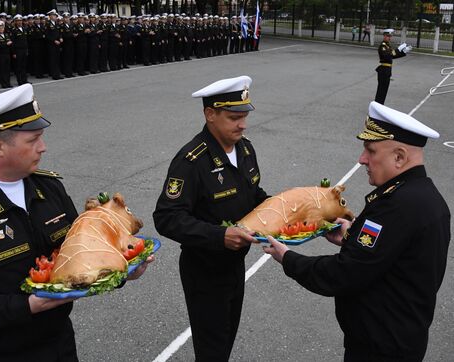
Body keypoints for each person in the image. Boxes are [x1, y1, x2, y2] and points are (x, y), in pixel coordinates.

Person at [0, 84, 154, 361]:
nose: (43, 147)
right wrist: (27, 305)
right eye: (33, 140)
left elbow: (80, 252)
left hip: (58, 342)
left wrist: (123, 269)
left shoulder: (48, 189)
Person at [263, 101, 450, 362]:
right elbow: (390, 255)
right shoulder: (423, 196)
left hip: (380, 348)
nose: (362, 159)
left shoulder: (397, 206)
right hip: (399, 338)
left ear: (399, 157)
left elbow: (345, 273)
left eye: (370, 150)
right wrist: (351, 236)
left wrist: (289, 258)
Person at [153, 75, 268, 361]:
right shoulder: (191, 160)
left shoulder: (244, 148)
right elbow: (167, 216)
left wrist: (289, 207)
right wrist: (220, 236)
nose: (242, 124)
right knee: (212, 350)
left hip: (234, 266)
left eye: (244, 117)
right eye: (233, 117)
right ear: (210, 114)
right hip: (204, 272)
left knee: (225, 340)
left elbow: (254, 195)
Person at [375, 28, 411, 105]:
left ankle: (380, 106)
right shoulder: (382, 46)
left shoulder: (388, 46)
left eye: (390, 36)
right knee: (381, 91)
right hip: (383, 71)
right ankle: (377, 107)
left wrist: (403, 52)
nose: (389, 38)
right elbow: (388, 56)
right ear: (384, 36)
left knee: (384, 91)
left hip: (387, 71)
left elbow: (392, 56)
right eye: (388, 36)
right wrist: (398, 49)